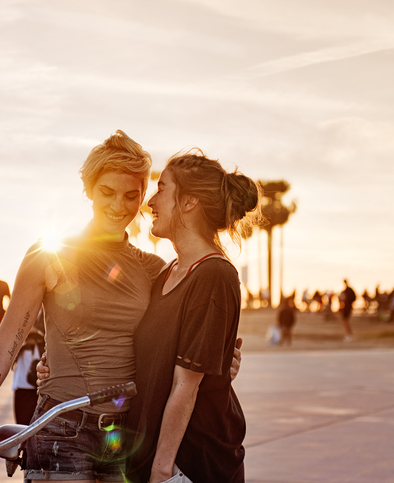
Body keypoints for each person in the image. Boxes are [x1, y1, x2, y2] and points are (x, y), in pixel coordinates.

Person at [0, 130, 168, 483]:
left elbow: (175, 346)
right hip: (62, 430)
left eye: (131, 195)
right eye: (107, 192)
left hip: (127, 434)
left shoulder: (153, 269)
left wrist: (223, 361)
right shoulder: (50, 256)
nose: (118, 205)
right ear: (89, 191)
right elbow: (1, 352)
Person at [124, 150, 261, 483]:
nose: (150, 201)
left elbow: (186, 385)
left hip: (190, 464)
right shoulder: (167, 273)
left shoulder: (214, 275)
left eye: (162, 188)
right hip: (153, 457)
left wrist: (161, 469)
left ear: (189, 203)